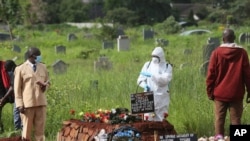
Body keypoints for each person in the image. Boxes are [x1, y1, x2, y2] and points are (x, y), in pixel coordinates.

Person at [206, 28, 250, 140]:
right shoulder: (242, 53)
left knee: (219, 119)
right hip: (236, 93)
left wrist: (210, 92)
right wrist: (249, 91)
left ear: (223, 39)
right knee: (236, 120)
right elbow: (247, 75)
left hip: (220, 93)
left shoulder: (216, 53)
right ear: (234, 38)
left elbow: (211, 75)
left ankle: (219, 138)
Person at [14, 47, 50, 141]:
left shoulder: (43, 67)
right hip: (27, 105)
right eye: (36, 56)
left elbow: (47, 81)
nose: (38, 58)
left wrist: (45, 86)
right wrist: (19, 104)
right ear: (30, 56)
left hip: (41, 103)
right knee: (26, 131)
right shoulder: (20, 68)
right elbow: (17, 89)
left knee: (40, 132)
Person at [137, 46, 173, 121]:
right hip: (148, 96)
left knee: (161, 119)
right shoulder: (148, 65)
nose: (154, 58)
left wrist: (153, 76)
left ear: (161, 57)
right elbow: (140, 79)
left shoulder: (167, 67)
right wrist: (144, 85)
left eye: (156, 56)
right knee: (147, 119)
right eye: (153, 56)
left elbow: (165, 80)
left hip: (161, 97)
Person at [0, 60, 22, 130]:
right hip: (6, 93)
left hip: (18, 95)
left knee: (17, 114)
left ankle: (19, 132)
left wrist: (3, 98)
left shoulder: (14, 71)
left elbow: (12, 87)